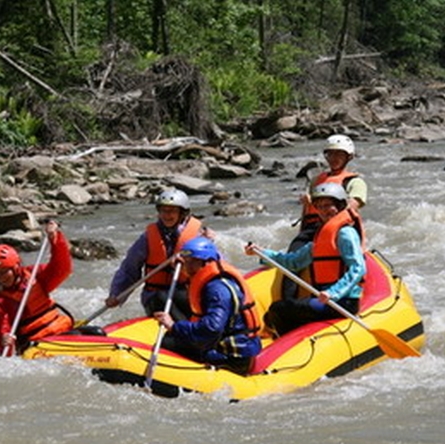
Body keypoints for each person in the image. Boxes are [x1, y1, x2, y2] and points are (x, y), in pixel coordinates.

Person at [246, 183, 366, 336]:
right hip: (327, 300)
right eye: (320, 206)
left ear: (340, 205)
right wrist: (262, 253)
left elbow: (358, 268)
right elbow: (293, 262)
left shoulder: (345, 233)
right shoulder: (320, 237)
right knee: (279, 310)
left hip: (343, 302)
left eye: (328, 205)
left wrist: (333, 293)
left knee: (279, 309)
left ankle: (291, 343)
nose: (324, 211)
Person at [153, 237, 262, 373]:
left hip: (232, 357)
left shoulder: (217, 290)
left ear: (206, 263)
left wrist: (174, 326)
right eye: (187, 261)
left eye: (192, 262)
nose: (187, 265)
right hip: (235, 350)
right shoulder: (215, 280)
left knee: (168, 342)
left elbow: (212, 328)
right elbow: (195, 282)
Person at [282, 134, 368, 304]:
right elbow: (307, 212)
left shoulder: (355, 182)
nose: (334, 158)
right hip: (313, 229)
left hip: (337, 230)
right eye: (331, 154)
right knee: (294, 251)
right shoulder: (317, 180)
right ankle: (288, 299)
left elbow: (352, 205)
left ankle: (339, 294)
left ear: (348, 157)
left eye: (339, 154)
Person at [105, 188, 208, 321]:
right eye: (163, 210)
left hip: (186, 292)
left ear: (182, 213)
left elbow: (213, 266)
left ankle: (193, 328)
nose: (166, 215)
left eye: (172, 211)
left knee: (190, 297)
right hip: (155, 296)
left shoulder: (198, 235)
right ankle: (182, 330)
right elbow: (129, 269)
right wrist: (116, 295)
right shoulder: (148, 237)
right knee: (161, 297)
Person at [0, 219, 73, 356]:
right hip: (35, 343)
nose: (0, 277)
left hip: (61, 328)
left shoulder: (34, 275)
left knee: (96, 332)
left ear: (15, 267)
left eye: (4, 271)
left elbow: (61, 268)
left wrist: (54, 238)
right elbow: (1, 328)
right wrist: (4, 339)